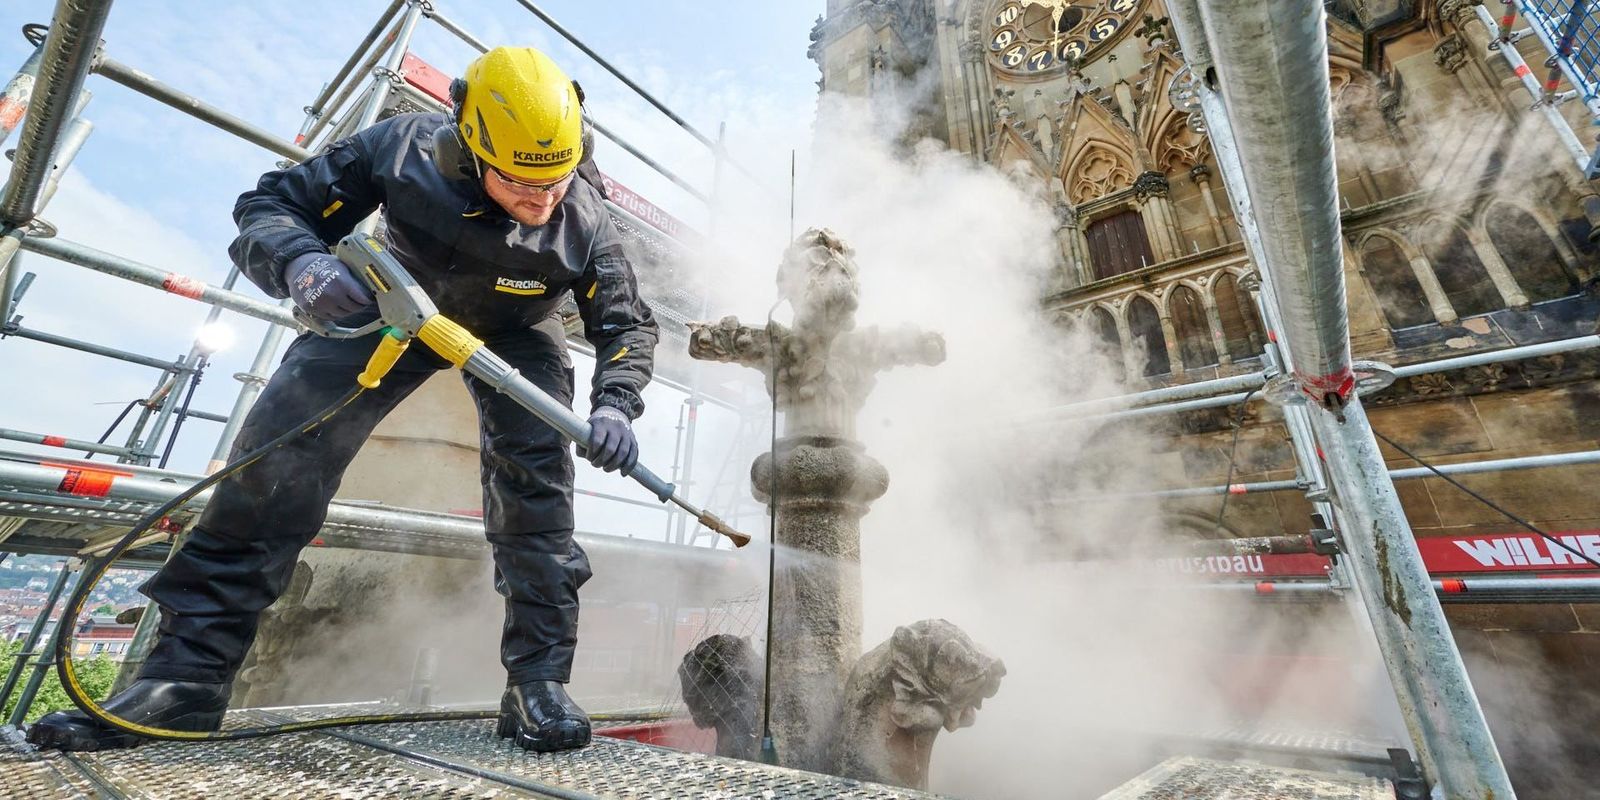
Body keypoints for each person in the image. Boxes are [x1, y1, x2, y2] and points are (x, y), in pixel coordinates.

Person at [28, 46, 657, 753]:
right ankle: (185, 680)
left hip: (518, 332)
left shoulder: (587, 217)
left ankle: (536, 684)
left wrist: (615, 403)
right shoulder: (400, 148)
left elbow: (625, 325)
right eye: (518, 182)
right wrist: (301, 261)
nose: (541, 202)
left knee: (537, 499)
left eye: (555, 182)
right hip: (396, 303)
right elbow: (272, 203)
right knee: (275, 465)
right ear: (467, 144)